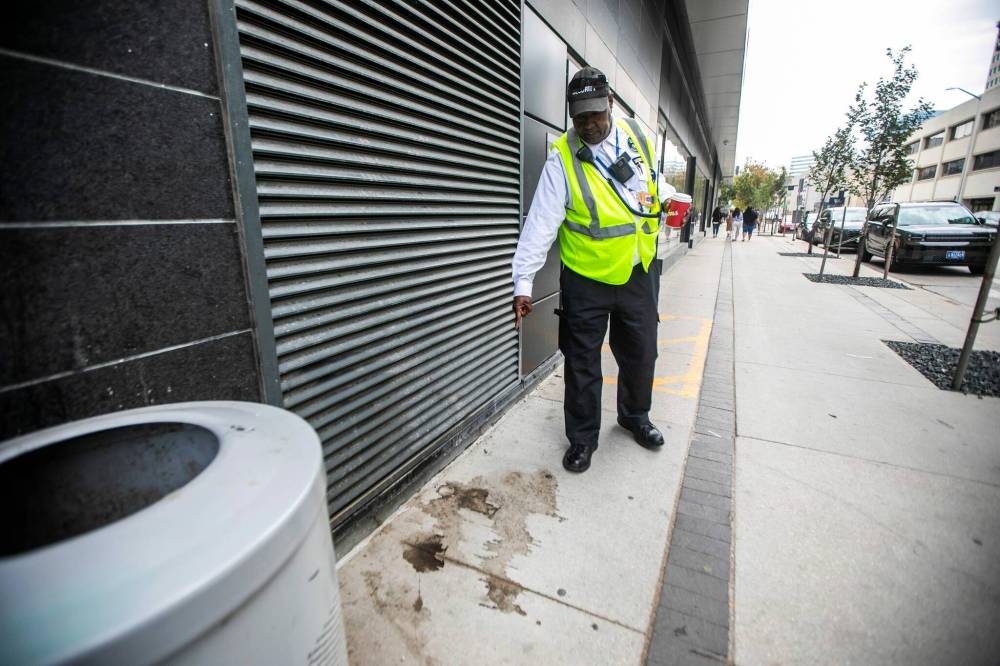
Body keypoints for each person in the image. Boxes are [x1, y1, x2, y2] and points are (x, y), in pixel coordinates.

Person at [511, 66, 666, 474]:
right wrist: (523, 283)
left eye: (596, 114)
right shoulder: (562, 159)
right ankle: (582, 439)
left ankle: (635, 416)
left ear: (610, 104)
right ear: (571, 115)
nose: (590, 124)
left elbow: (652, 185)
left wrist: (668, 199)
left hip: (638, 271)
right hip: (585, 280)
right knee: (582, 363)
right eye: (580, 117)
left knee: (641, 353)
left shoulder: (636, 138)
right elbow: (540, 224)